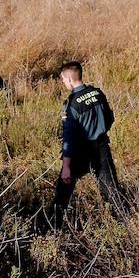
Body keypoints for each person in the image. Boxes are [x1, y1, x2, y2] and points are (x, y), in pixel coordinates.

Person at [52, 61, 123, 225]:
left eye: (63, 79)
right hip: (101, 147)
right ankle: (125, 222)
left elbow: (69, 139)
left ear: (69, 80)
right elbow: (109, 118)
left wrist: (67, 167)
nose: (63, 83)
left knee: (63, 193)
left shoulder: (71, 105)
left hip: (80, 152)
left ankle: (53, 227)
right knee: (111, 190)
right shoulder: (97, 93)